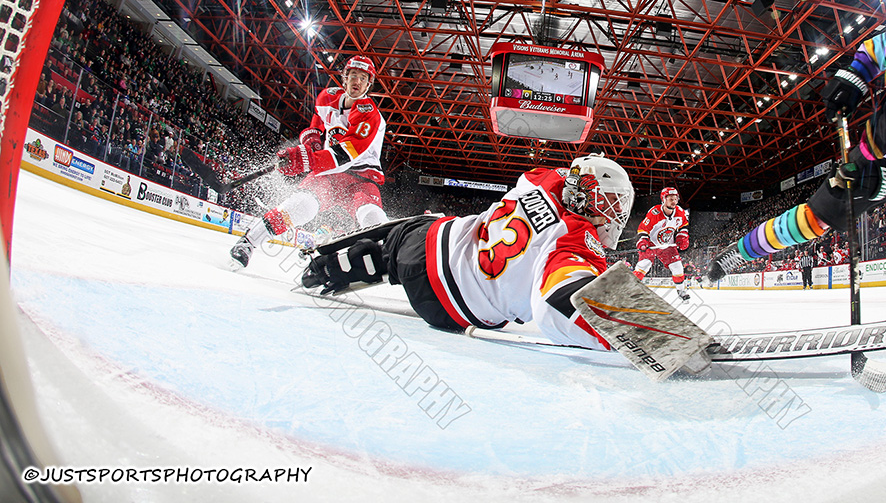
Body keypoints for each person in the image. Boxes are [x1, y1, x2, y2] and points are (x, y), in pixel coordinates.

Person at [707, 14, 886, 320]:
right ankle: (739, 252)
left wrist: (883, 176)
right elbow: (876, 49)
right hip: (868, 157)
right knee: (811, 221)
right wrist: (854, 78)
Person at [300, 154, 635, 350]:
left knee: (426, 225)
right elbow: (556, 303)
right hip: (450, 312)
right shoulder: (577, 241)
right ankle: (377, 258)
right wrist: (639, 327)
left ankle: (348, 262)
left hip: (428, 242)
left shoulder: (541, 178)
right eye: (613, 200)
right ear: (590, 194)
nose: (618, 211)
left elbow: (562, 178)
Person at [230, 55, 388, 268]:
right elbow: (316, 124)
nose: (357, 82)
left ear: (369, 84)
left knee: (370, 215)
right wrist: (311, 141)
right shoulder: (327, 97)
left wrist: (306, 159)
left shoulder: (370, 115)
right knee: (301, 205)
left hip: (361, 178)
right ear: (344, 78)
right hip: (329, 176)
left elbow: (346, 154)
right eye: (353, 76)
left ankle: (389, 255)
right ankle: (248, 242)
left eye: (363, 78)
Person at [632, 186, 692, 300]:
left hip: (667, 245)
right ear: (663, 199)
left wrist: (682, 237)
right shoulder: (655, 212)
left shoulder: (680, 212)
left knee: (677, 267)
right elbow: (643, 229)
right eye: (671, 199)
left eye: (675, 199)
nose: (674, 201)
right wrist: (643, 241)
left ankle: (681, 291)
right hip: (651, 244)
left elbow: (683, 226)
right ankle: (630, 289)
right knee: (644, 265)